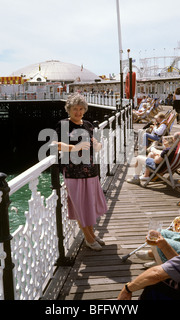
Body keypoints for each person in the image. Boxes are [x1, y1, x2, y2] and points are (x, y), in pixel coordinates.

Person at [54, 93, 108, 251]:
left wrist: (97, 145)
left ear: (84, 109)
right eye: (74, 109)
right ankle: (89, 239)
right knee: (80, 206)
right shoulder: (64, 124)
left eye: (80, 109)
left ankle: (91, 233)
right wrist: (74, 147)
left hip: (90, 171)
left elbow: (95, 147)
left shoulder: (88, 125)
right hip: (73, 172)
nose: (78, 112)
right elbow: (55, 144)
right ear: (68, 110)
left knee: (89, 204)